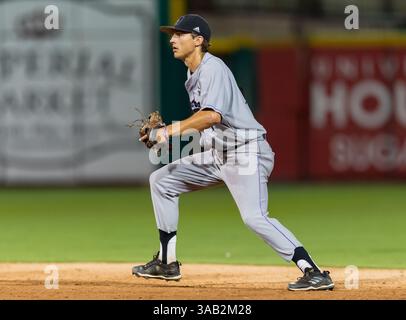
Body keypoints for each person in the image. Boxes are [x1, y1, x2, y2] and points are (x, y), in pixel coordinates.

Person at [132, 14, 334, 291]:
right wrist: (165, 133)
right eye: (172, 34)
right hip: (219, 155)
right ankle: (167, 263)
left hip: (246, 153)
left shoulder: (213, 69)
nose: (173, 39)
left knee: (254, 218)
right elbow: (207, 122)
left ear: (198, 40)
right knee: (162, 181)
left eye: (180, 34)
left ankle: (313, 271)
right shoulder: (193, 72)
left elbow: (211, 117)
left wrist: (168, 131)